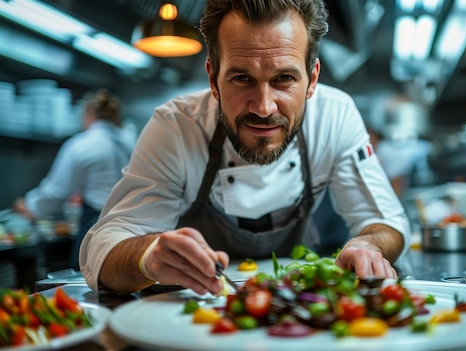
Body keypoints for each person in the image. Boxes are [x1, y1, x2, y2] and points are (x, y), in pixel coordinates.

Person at [80, 0, 411, 295]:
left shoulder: (335, 116)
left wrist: (367, 245)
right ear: (213, 79)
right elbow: (103, 248)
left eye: (284, 79)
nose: (264, 107)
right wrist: (148, 255)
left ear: (312, 79)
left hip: (297, 303)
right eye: (241, 79)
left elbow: (387, 222)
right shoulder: (176, 126)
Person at [14, 89, 134, 269]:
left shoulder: (82, 144)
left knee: (89, 282)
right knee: (125, 278)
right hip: (131, 226)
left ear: (87, 113)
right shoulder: (129, 143)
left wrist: (30, 206)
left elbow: (55, 193)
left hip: (97, 227)